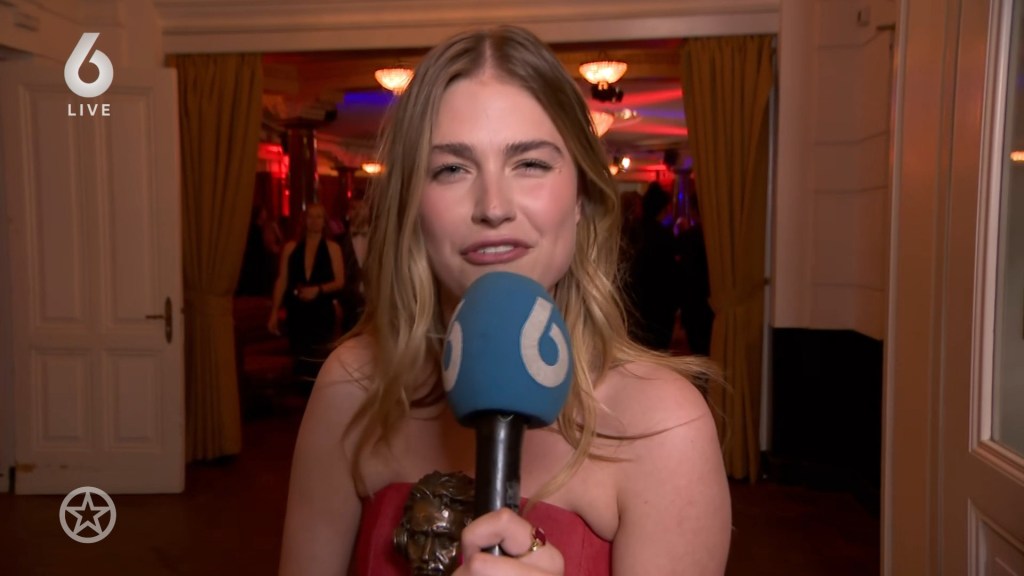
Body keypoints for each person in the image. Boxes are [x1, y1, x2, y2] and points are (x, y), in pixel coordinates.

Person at [279, 25, 730, 576]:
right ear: (413, 206)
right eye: (451, 169)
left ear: (582, 195)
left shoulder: (665, 426)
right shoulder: (351, 388)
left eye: (531, 164)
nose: (493, 206)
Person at [268, 203, 345, 376]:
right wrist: (274, 312)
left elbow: (340, 281)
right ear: (304, 220)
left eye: (319, 217)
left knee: (320, 362)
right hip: (297, 313)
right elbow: (282, 280)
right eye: (310, 216)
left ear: (324, 221)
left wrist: (318, 289)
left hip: (322, 313)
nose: (314, 221)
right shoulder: (291, 248)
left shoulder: (333, 248)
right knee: (299, 361)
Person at [625, 182, 684, 351]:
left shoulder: (634, 232)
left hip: (638, 303)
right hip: (659, 304)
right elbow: (672, 273)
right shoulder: (663, 236)